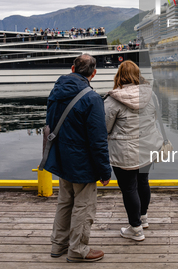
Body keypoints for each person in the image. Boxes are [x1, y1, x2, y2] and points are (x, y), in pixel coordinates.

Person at [44, 54, 112, 263]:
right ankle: (78, 249)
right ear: (94, 73)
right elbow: (98, 140)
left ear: (72, 69)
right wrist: (104, 170)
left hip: (61, 158)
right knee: (84, 206)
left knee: (64, 202)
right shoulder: (92, 98)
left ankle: (59, 244)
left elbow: (49, 123)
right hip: (82, 162)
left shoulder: (56, 91)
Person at [104, 60, 163, 241]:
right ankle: (142, 217)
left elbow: (104, 127)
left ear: (119, 75)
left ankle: (135, 229)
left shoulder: (113, 100)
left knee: (129, 188)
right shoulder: (151, 95)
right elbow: (155, 117)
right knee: (143, 182)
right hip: (148, 148)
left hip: (125, 152)